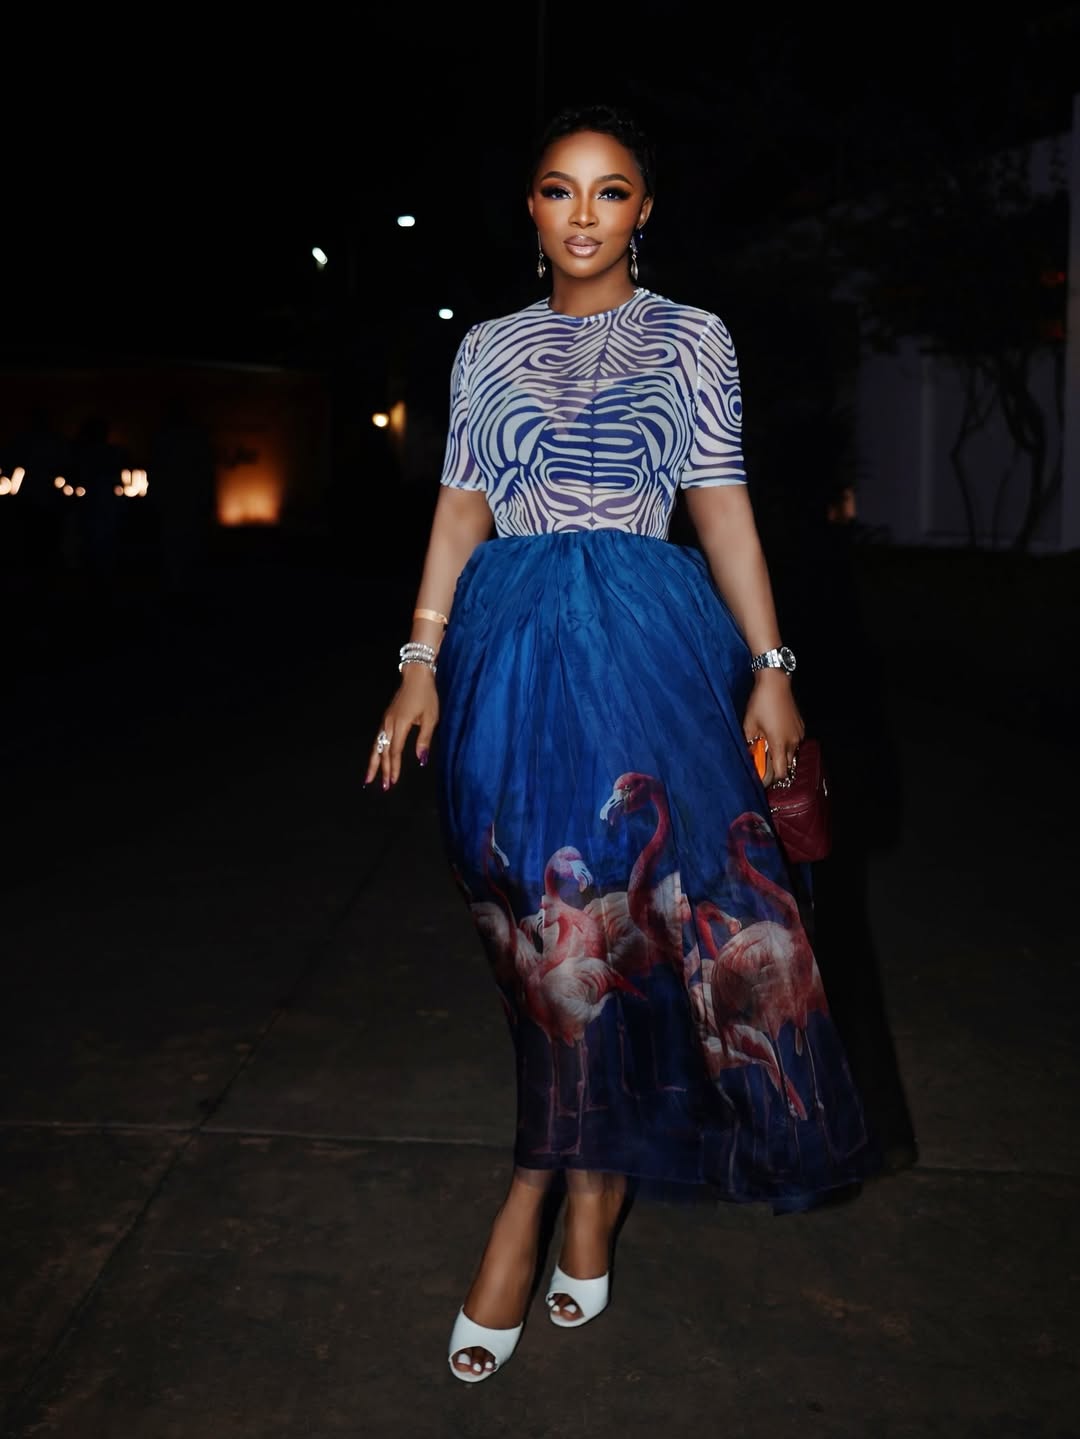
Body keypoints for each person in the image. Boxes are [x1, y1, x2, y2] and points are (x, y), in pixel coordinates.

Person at [365, 103, 880, 1384]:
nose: (584, 213)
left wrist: (771, 671)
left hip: (648, 646)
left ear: (645, 209)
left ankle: (542, 1194)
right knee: (531, 923)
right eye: (560, 189)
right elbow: (458, 509)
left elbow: (724, 509)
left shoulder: (693, 336)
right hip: (508, 648)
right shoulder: (487, 346)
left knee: (646, 918)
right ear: (532, 209)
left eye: (611, 191)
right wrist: (419, 658)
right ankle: (590, 1171)